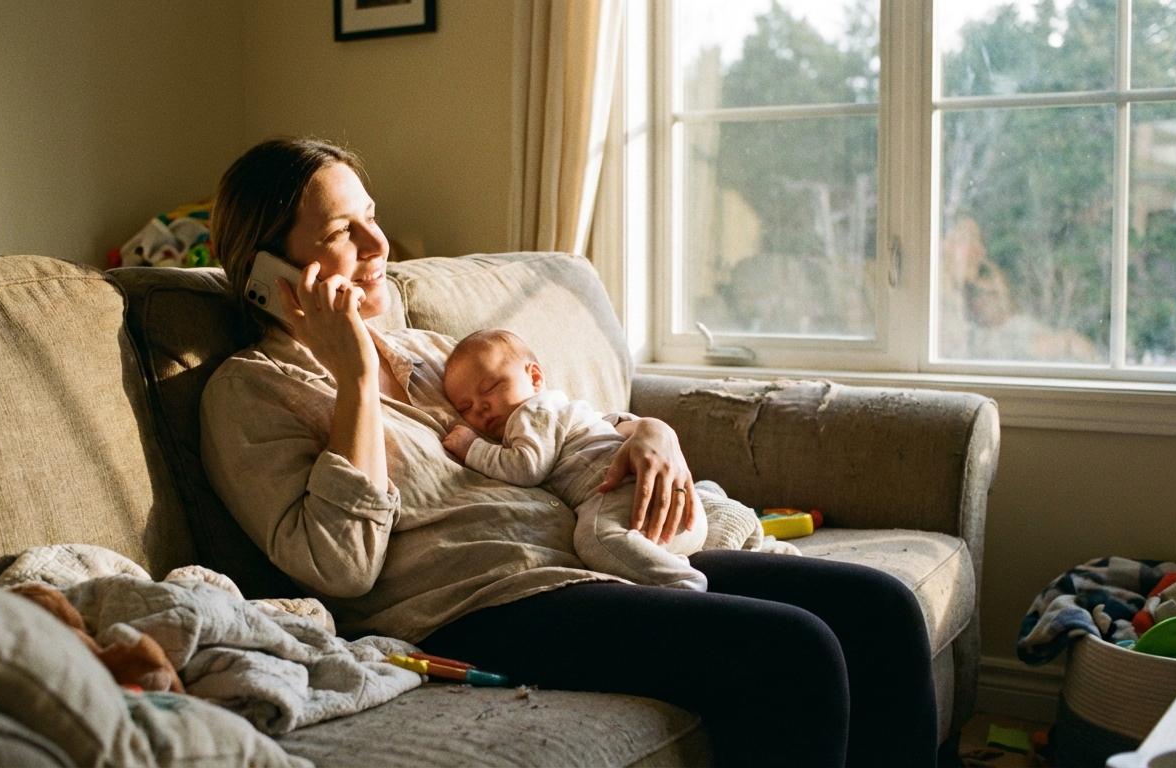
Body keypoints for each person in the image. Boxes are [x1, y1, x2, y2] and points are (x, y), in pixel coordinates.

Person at [200, 137, 938, 767]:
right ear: (269, 271)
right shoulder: (250, 393)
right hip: (476, 608)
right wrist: (355, 377)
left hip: (591, 555)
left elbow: (542, 423)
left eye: (373, 219)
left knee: (878, 607)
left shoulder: (424, 352)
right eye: (341, 231)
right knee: (794, 651)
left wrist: (645, 432)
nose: (378, 248)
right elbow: (343, 567)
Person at [441, 328, 796, 592]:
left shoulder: (532, 412)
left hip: (613, 492)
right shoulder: (573, 411)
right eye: (466, 408)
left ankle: (682, 585)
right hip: (668, 506)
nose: (481, 408)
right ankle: (741, 527)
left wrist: (472, 446)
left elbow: (526, 467)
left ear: (534, 378)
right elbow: (614, 425)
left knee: (595, 539)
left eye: (489, 389)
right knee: (697, 498)